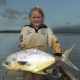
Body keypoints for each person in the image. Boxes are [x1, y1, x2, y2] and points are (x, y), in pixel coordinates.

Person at [19, 6, 63, 80]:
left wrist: (58, 53)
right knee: (28, 78)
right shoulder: (25, 29)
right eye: (34, 17)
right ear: (30, 18)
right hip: (27, 61)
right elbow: (22, 46)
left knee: (38, 78)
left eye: (38, 17)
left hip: (41, 61)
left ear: (42, 17)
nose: (36, 19)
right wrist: (19, 63)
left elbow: (54, 41)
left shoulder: (47, 29)